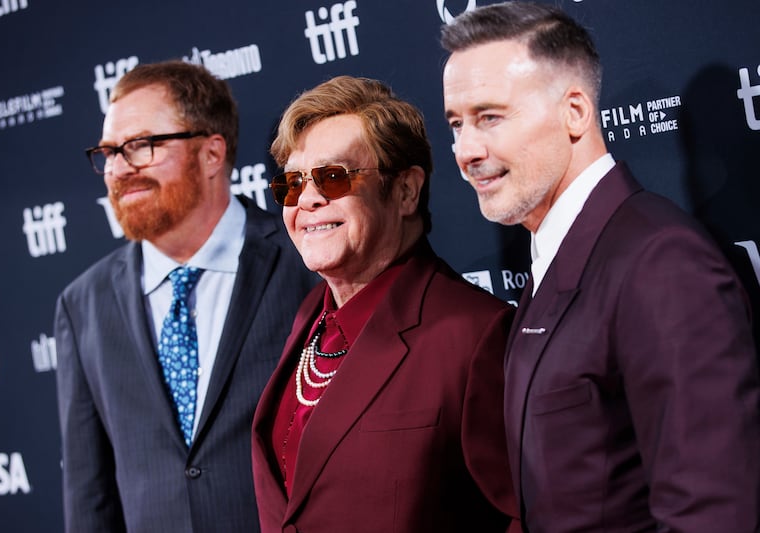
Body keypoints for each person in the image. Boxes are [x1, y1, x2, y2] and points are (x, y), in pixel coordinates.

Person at [441, 3, 760, 531]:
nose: (466, 150)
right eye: (456, 123)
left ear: (575, 113)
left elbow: (711, 513)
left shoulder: (661, 263)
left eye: (490, 117)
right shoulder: (555, 253)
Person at [54, 60, 318, 533]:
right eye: (109, 152)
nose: (118, 170)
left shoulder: (307, 260)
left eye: (140, 146)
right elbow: (90, 493)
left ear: (212, 153)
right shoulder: (83, 305)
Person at [250, 75, 520, 532]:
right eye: (292, 184)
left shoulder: (475, 334)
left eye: (333, 178)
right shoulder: (310, 318)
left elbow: (525, 515)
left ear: (405, 191)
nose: (308, 199)